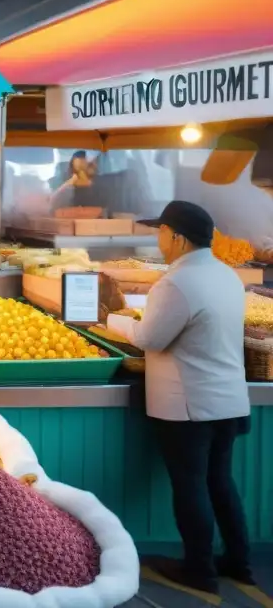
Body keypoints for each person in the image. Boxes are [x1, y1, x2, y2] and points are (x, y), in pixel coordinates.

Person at [110, 201, 252, 593]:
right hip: (228, 399)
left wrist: (110, 317)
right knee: (220, 482)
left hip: (189, 404)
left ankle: (200, 570)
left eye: (160, 231)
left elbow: (150, 338)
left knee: (190, 486)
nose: (158, 239)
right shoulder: (227, 276)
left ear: (177, 237)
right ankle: (239, 562)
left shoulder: (177, 282)